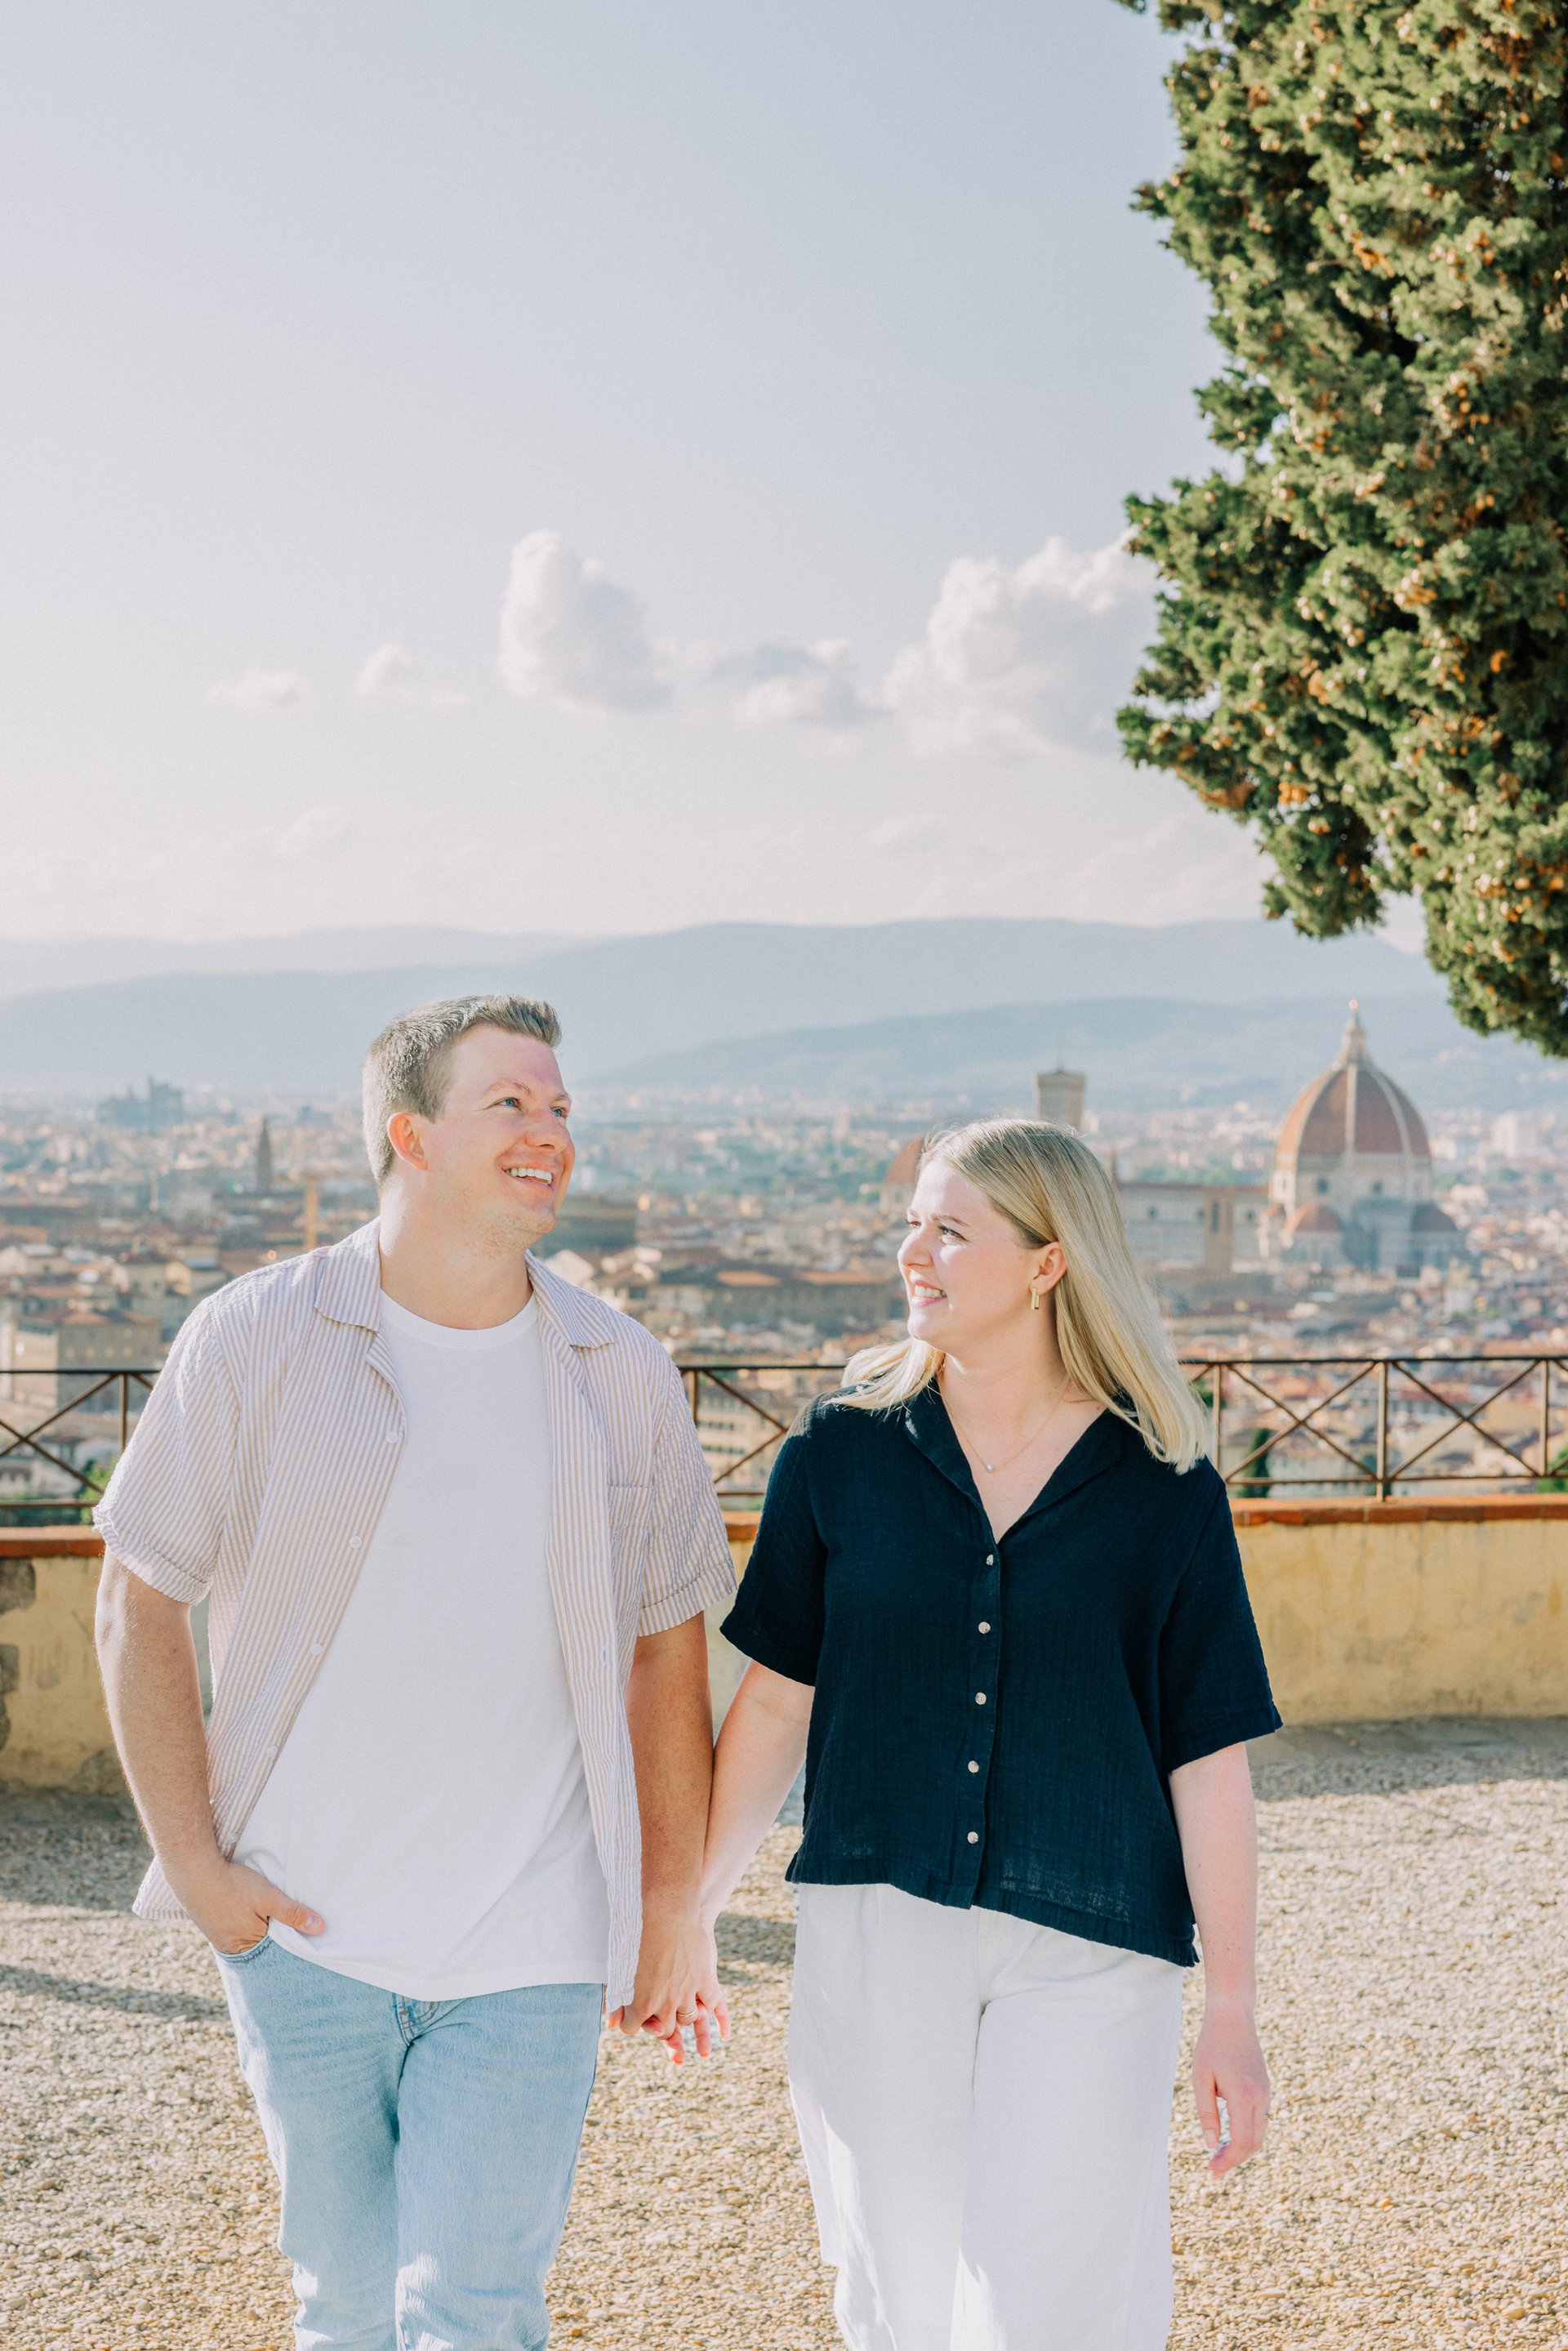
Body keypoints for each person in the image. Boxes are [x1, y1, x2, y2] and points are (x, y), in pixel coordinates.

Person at [95, 993, 735, 2351]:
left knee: (477, 2312)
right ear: (411, 1134)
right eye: (510, 1103)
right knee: (342, 2306)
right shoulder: (255, 1335)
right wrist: (197, 1869)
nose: (550, 1131)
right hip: (301, 1934)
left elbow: (666, 1643)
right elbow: (136, 1598)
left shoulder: (622, 1371)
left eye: (560, 1106)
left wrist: (672, 1901)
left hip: (534, 1944)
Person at [701, 1118, 1280, 2351]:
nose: (914, 1252)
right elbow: (776, 1697)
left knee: (1048, 2310)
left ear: (1048, 1263)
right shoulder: (838, 1453)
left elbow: (1208, 1754)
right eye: (914, 1222)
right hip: (877, 1927)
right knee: (897, 2297)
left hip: (1092, 1942)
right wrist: (686, 1910)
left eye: (952, 1229)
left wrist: (1232, 2007)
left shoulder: (1164, 1485)